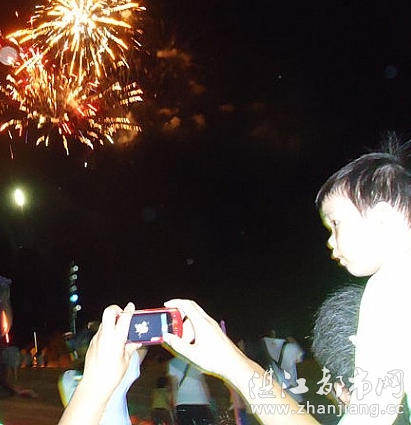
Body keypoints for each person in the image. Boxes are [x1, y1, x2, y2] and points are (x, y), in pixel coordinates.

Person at [162, 133, 411, 424]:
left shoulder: (386, 289)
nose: (331, 241)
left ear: (383, 217)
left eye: (335, 223)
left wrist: (229, 361)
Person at [167, 355, 215, 425]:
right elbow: (203, 383)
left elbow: (174, 387)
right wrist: (209, 401)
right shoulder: (196, 361)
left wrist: (175, 405)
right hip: (200, 402)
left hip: (182, 403)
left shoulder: (173, 363)